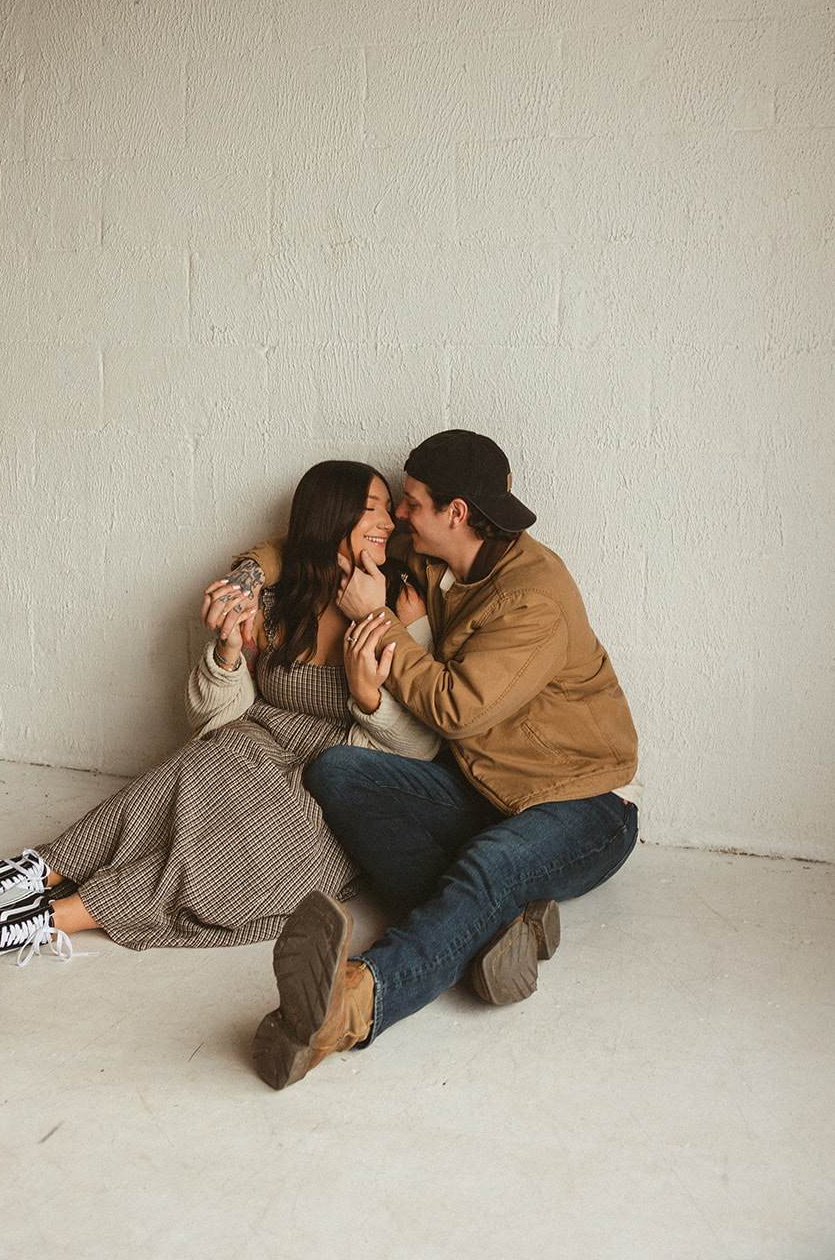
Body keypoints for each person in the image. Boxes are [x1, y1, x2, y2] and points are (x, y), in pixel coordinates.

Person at [227, 430, 639, 1090]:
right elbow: (307, 542)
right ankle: (498, 934)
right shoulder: (431, 554)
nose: (396, 516)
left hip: (578, 803)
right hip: (483, 788)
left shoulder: (531, 598)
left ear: (455, 513)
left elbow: (456, 710)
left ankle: (346, 1008)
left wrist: (380, 622)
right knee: (335, 769)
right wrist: (244, 579)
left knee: (487, 866)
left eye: (411, 502)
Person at [0, 461, 440, 969]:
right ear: (331, 519)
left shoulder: (401, 603)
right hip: (256, 749)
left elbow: (422, 749)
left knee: (239, 860)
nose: (390, 523)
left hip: (339, 787)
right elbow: (220, 719)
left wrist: (369, 697)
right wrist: (226, 654)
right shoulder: (275, 603)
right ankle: (43, 868)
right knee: (196, 766)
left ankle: (53, 918)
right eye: (373, 510)